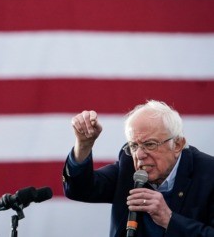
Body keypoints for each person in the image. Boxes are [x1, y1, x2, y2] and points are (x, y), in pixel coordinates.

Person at [62, 100, 214, 237]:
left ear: (177, 145)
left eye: (150, 144)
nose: (139, 155)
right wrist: (83, 145)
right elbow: (80, 189)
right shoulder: (128, 163)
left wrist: (169, 219)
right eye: (134, 145)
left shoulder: (209, 173)